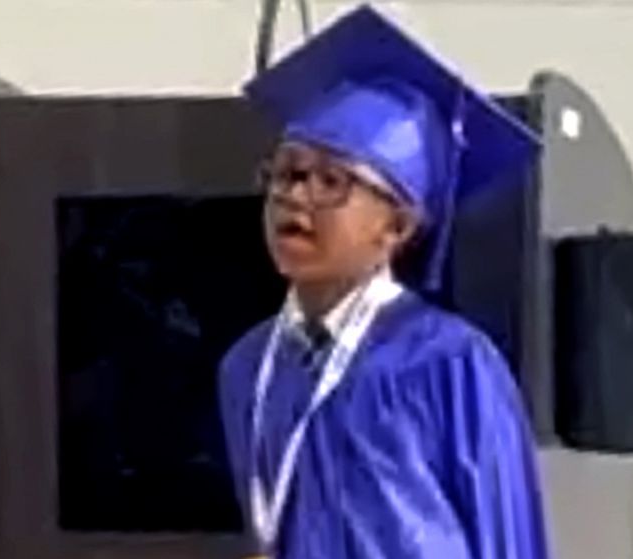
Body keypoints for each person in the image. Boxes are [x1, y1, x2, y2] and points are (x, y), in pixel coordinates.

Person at [218, 5, 551, 559]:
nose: (295, 196)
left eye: (332, 182)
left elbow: (507, 539)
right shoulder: (248, 368)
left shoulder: (451, 362)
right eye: (286, 172)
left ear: (395, 226)